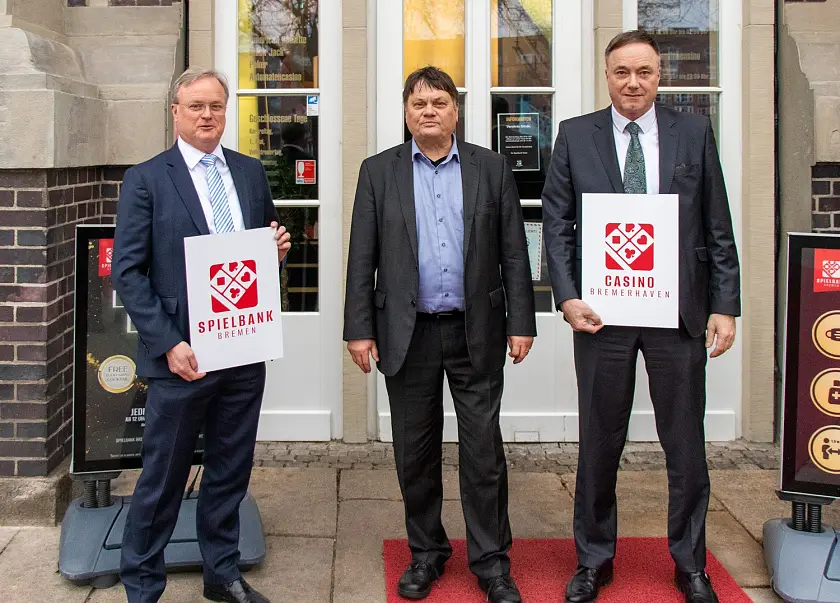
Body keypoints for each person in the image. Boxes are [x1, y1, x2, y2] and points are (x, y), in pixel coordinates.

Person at [541, 31, 740, 603]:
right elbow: (556, 224)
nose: (633, 82)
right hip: (602, 316)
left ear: (660, 76)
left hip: (676, 314)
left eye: (645, 72)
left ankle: (691, 564)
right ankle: (594, 560)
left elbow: (715, 225)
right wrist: (567, 294)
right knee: (599, 443)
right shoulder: (575, 135)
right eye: (622, 72)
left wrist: (725, 305)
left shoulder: (694, 133)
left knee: (685, 446)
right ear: (607, 75)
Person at [344, 66, 537, 603]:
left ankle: (492, 562)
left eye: (439, 102)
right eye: (419, 103)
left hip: (477, 331)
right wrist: (359, 329)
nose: (429, 111)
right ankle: (426, 555)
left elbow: (514, 253)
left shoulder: (491, 168)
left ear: (456, 110)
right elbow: (363, 257)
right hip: (408, 335)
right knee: (415, 452)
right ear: (406, 113)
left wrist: (521, 322)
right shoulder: (378, 172)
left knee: (483, 453)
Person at [113, 67, 291, 603]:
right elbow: (128, 272)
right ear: (175, 112)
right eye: (196, 107)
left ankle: (223, 574)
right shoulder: (146, 178)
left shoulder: (250, 172)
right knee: (162, 481)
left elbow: (263, 253)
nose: (207, 116)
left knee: (229, 472)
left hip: (242, 350)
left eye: (215, 106)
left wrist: (277, 249)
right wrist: (169, 343)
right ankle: (142, 587)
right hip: (181, 357)